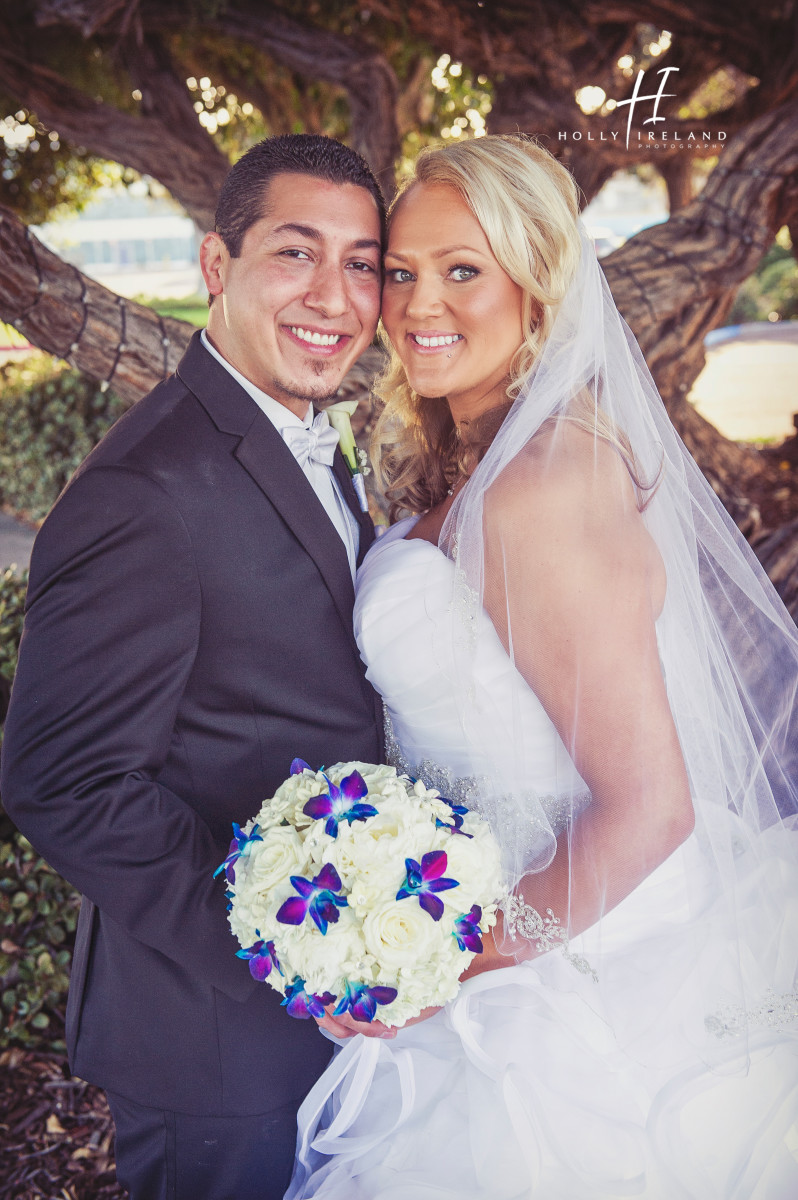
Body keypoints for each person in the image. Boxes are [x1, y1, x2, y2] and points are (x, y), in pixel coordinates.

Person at [288, 136, 798, 1199]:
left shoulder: (538, 487)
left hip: (573, 986)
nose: (418, 302)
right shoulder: (500, 456)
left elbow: (651, 807)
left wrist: (428, 965)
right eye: (403, 271)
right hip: (523, 926)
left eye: (463, 270)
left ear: (539, 286)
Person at [1, 133, 389, 1200]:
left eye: (361, 261)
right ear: (216, 267)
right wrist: (290, 953)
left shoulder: (309, 435)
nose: (336, 294)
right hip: (217, 1039)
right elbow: (65, 784)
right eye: (295, 253)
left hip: (339, 1019)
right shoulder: (146, 491)